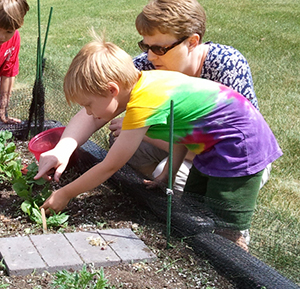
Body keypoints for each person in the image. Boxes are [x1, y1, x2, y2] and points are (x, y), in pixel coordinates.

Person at [37, 36, 282, 251]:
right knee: (194, 204)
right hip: (215, 145)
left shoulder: (143, 103)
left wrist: (65, 194)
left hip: (240, 147)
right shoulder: (147, 83)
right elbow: (181, 133)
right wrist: (167, 174)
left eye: (89, 104)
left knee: (225, 222)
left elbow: (110, 166)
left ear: (112, 89)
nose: (89, 113)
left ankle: (235, 257)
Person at [108, 0, 271, 191]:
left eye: (159, 48)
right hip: (184, 145)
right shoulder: (150, 62)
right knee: (121, 141)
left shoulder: (226, 64)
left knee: (167, 175)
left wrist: (140, 131)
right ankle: (153, 191)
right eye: (145, 46)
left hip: (235, 159)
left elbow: (230, 146)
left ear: (192, 42)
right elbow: (103, 102)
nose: (149, 56)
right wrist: (65, 147)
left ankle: (187, 199)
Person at [0, 0, 29, 124]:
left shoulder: (14, 39)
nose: (2, 36)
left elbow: (8, 74)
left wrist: (3, 109)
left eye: (8, 31)